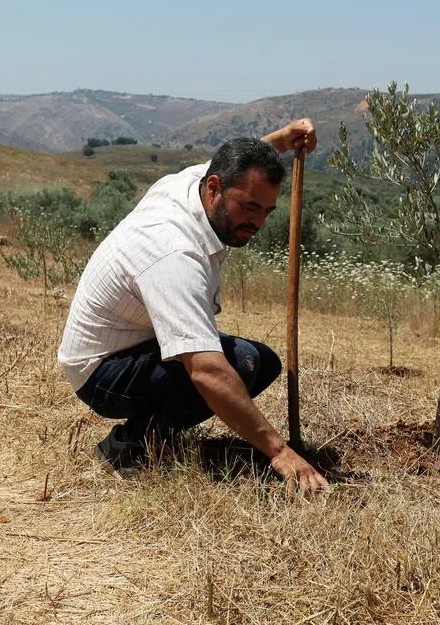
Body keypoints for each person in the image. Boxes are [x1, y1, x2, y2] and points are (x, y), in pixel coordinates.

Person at [57, 119, 328, 496]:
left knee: (260, 362)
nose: (258, 222)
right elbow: (206, 371)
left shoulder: (192, 184)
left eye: (267, 210)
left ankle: (154, 433)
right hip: (101, 372)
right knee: (230, 368)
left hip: (135, 346)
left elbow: (231, 162)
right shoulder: (173, 251)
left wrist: (280, 142)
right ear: (215, 190)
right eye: (249, 207)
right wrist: (280, 452)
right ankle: (130, 446)